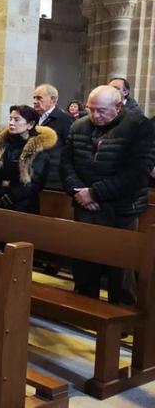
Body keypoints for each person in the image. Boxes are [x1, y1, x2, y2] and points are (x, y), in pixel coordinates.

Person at [61, 86, 155, 304]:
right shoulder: (78, 126)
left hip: (123, 208)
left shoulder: (139, 127)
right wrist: (78, 192)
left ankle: (122, 314)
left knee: (121, 265)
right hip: (84, 206)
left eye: (101, 111)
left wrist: (95, 193)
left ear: (119, 106)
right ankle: (83, 307)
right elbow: (66, 164)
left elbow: (138, 172)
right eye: (90, 109)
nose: (94, 115)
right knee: (84, 261)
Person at [0, 105, 57, 214]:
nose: (11, 123)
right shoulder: (2, 145)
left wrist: (8, 198)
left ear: (30, 124)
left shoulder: (37, 150)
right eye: (10, 119)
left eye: (16, 120)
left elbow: (34, 182)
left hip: (22, 206)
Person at [32, 84, 73, 191]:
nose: (35, 101)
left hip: (52, 178)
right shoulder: (32, 118)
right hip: (33, 175)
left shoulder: (64, 119)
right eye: (34, 98)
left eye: (39, 98)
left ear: (52, 100)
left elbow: (70, 149)